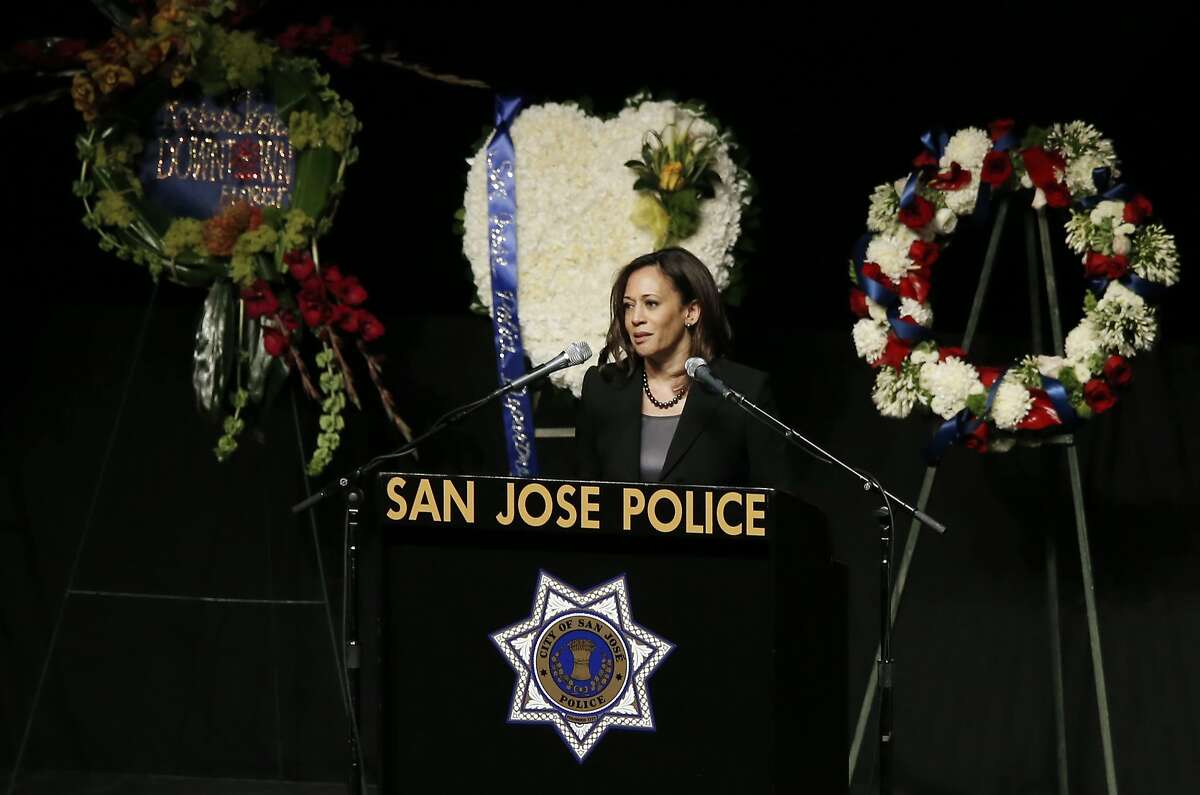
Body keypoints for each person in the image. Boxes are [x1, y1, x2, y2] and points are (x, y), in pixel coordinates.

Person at [575, 247, 796, 490]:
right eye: (628, 306)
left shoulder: (743, 391)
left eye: (651, 303)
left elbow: (777, 505)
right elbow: (582, 500)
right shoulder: (602, 387)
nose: (636, 318)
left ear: (690, 312)